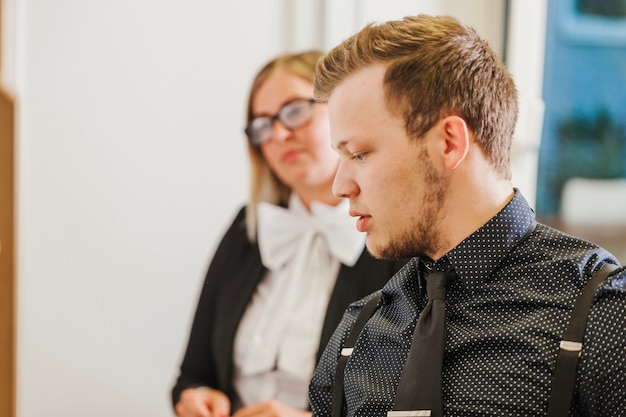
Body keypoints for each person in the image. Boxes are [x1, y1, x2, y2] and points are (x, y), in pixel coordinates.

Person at [308, 14, 626, 417]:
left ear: (449, 142)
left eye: (359, 154)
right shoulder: (360, 328)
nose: (340, 186)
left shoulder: (602, 312)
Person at [171, 50, 406, 417]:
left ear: (341, 112)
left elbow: (411, 402)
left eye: (294, 111)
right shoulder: (245, 231)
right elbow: (192, 373)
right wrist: (195, 395)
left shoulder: (398, 242)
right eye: (262, 125)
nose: (278, 134)